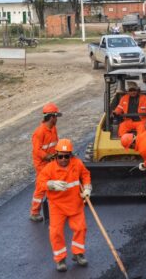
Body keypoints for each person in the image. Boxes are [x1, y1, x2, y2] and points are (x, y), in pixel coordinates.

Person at [37, 139, 92, 272]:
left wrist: (87, 188)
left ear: (71, 155)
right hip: (57, 206)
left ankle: (78, 254)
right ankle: (60, 259)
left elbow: (85, 175)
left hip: (75, 203)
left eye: (66, 156)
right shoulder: (49, 168)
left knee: (81, 228)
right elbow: (40, 183)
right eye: (60, 156)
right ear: (56, 155)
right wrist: (50, 184)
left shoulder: (77, 164)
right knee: (56, 233)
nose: (63, 159)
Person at [29, 102, 61, 222]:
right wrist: (48, 156)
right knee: (42, 187)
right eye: (56, 116)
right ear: (52, 117)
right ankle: (34, 212)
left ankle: (56, 209)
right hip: (42, 164)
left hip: (51, 162)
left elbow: (56, 144)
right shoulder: (39, 132)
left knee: (56, 184)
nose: (57, 119)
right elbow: (37, 150)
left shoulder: (53, 129)